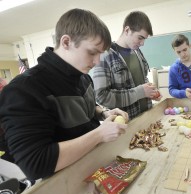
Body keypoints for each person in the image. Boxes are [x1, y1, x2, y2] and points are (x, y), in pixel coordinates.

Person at [0, 8, 128, 181]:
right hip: (63, 186)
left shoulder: (83, 77)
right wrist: (98, 134)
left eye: (100, 54)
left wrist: (103, 112)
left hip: (92, 171)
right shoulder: (23, 90)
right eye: (92, 52)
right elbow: (35, 164)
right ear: (66, 42)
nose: (98, 61)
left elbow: (85, 107)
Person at [92, 11, 161, 120]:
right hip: (127, 123)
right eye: (140, 38)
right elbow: (101, 96)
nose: (142, 43)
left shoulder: (137, 52)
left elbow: (142, 80)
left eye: (144, 39)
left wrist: (150, 91)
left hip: (147, 117)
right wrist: (139, 92)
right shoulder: (105, 55)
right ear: (127, 30)